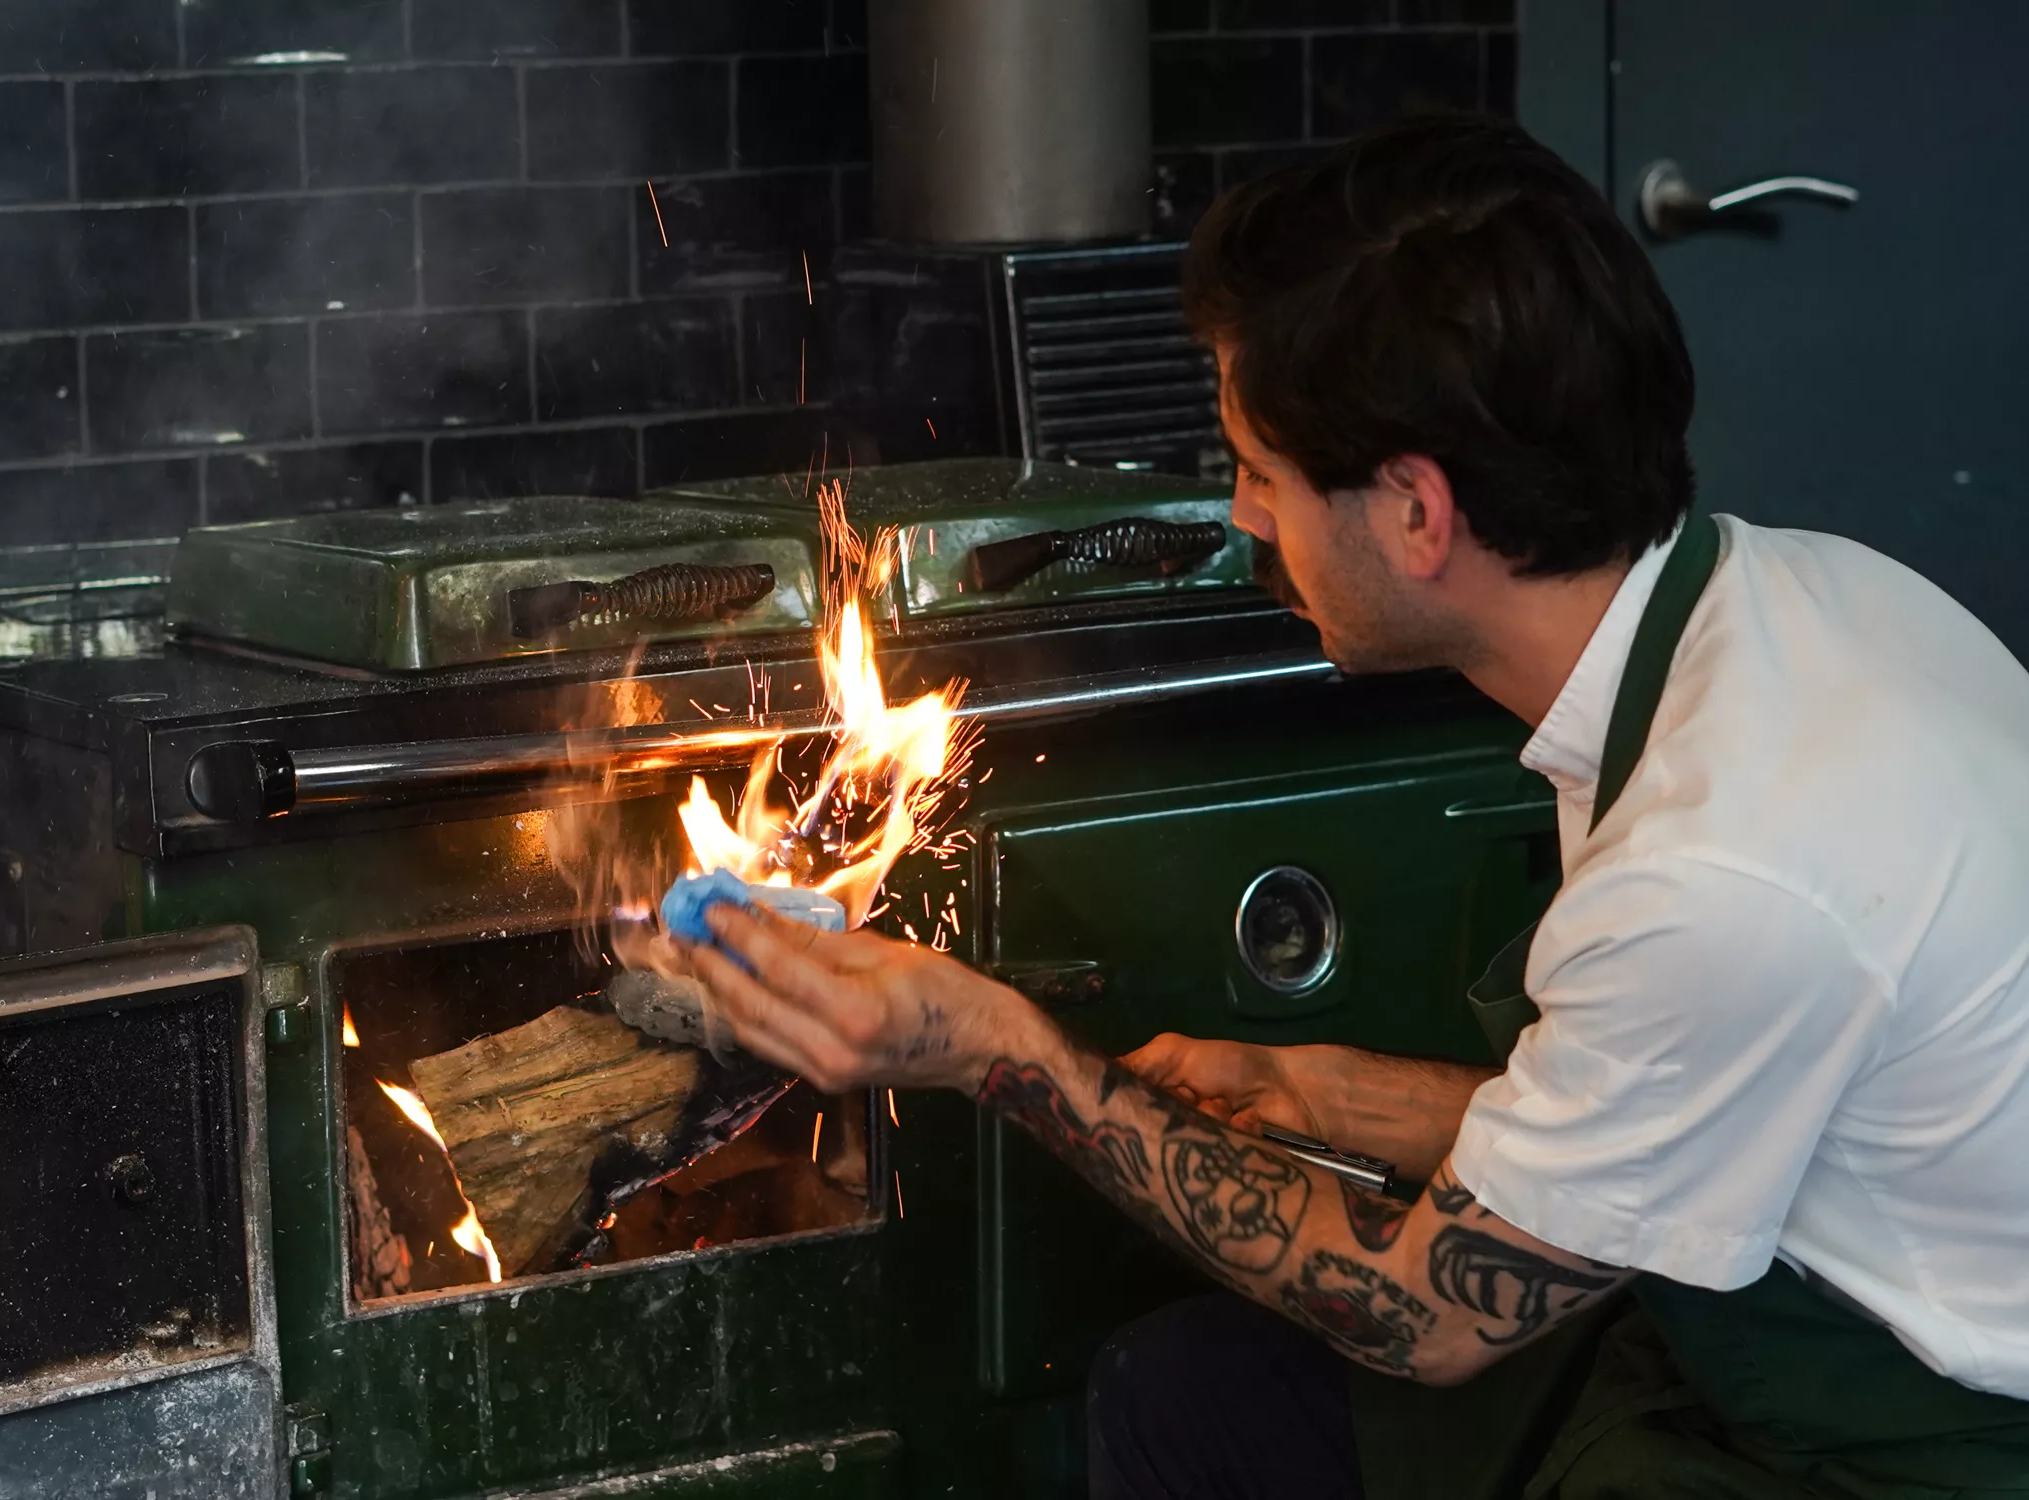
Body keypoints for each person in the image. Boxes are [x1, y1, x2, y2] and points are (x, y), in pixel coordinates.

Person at [673, 114, 2029, 1498]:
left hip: (1918, 1446)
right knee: (1196, 1393)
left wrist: (995, 1046)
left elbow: (1427, 1315)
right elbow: (1687, 1093)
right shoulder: (1809, 597)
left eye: (1259, 473)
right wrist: (1326, 1091)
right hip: (1793, 1317)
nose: (1243, 518)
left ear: (1416, 514)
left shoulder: (1718, 868)